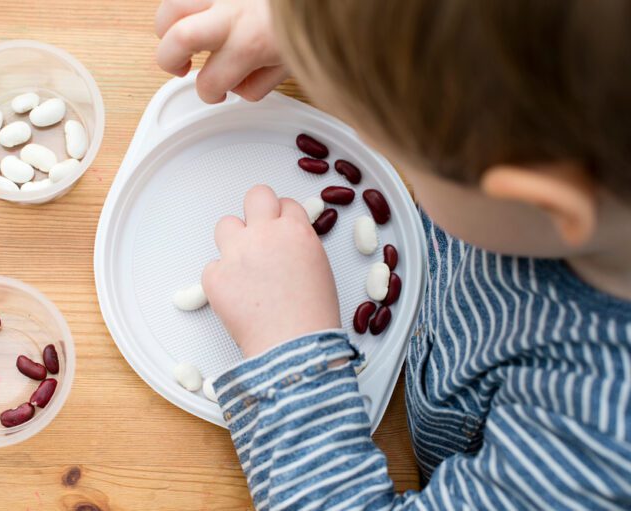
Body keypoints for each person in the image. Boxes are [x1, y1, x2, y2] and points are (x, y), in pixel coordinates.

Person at [155, 1, 631, 509]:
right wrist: (334, 36)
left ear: (537, 199)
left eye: (398, 148)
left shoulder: (598, 442)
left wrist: (289, 345)